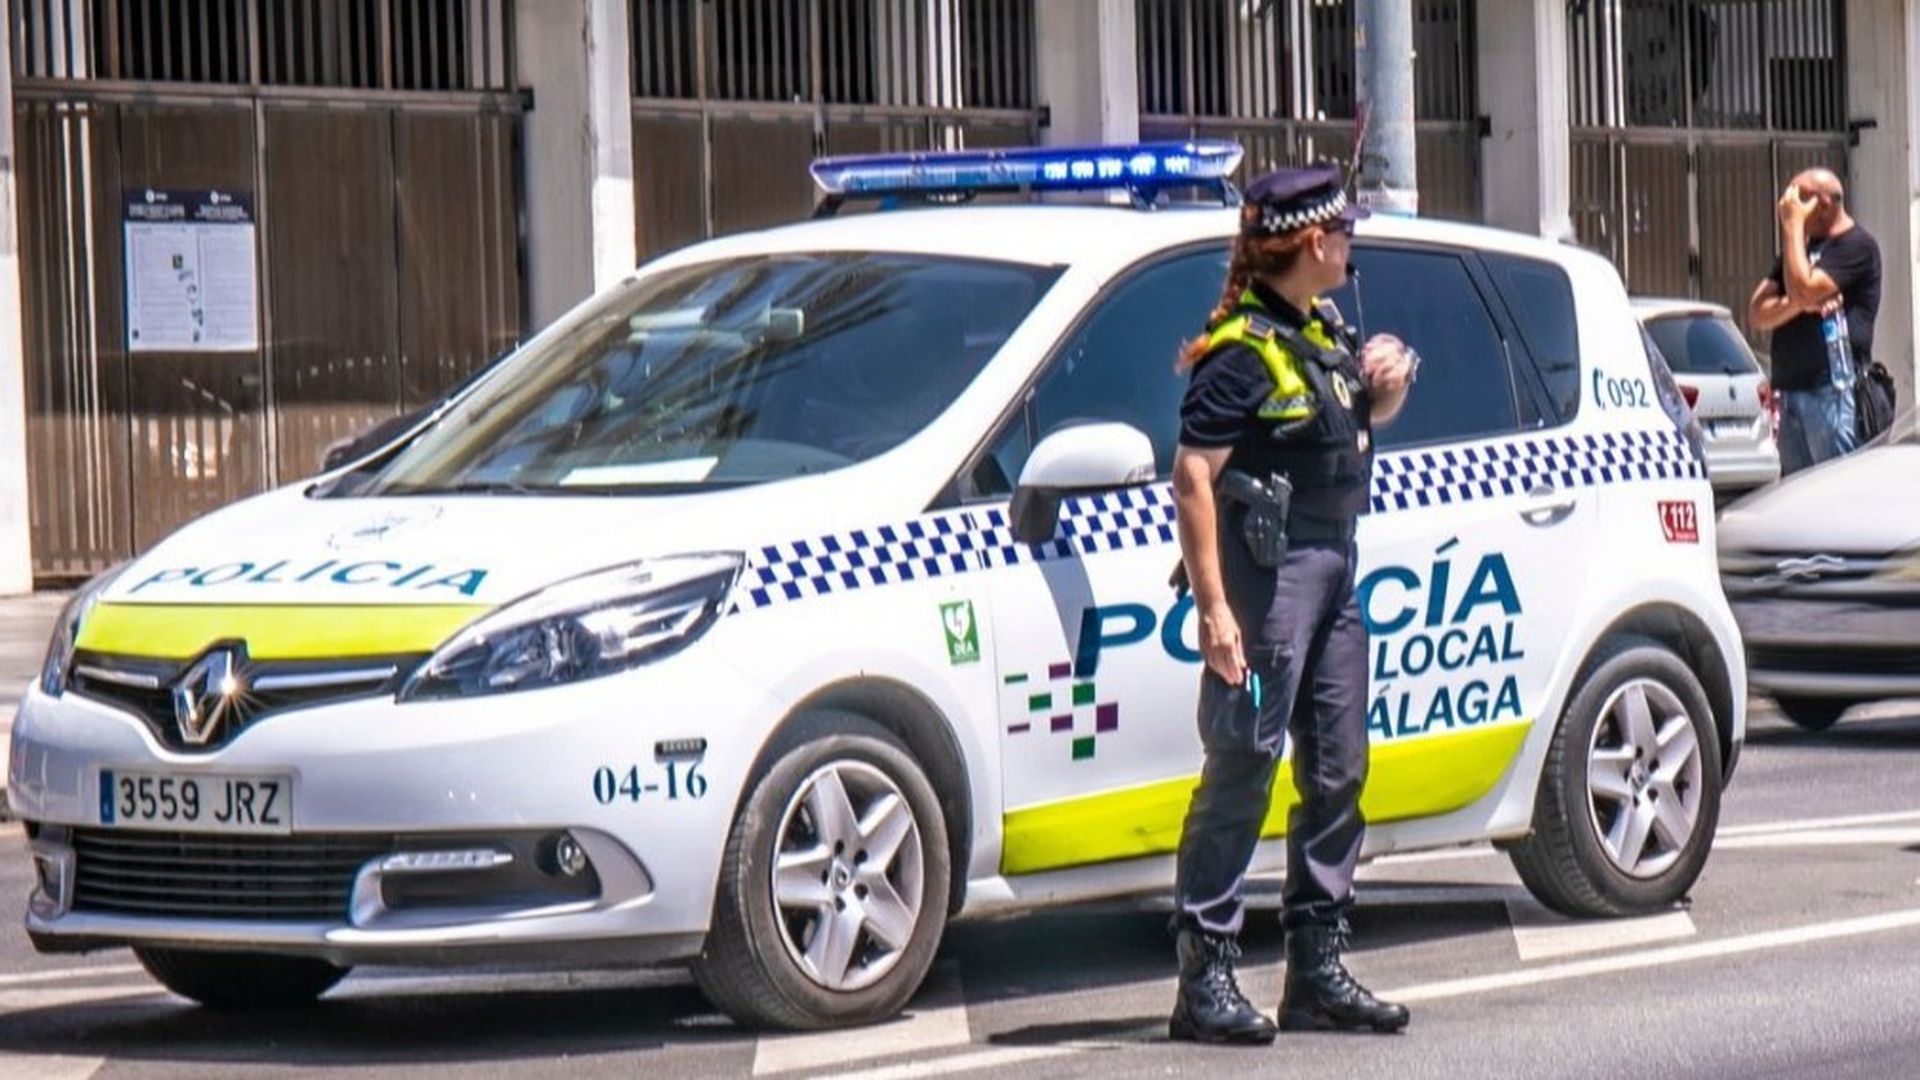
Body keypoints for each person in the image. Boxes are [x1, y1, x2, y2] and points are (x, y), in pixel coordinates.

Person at [1166, 164, 1415, 1045]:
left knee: (1339, 767)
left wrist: (1388, 376)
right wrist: (1215, 609)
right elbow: (1194, 476)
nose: (1351, 245)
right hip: (1267, 580)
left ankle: (1316, 968)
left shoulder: (1322, 327)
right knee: (1243, 763)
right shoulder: (1240, 347)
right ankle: (1206, 977)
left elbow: (1349, 421)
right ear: (1314, 242)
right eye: (1345, 231)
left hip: (1334, 570)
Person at [1747, 168, 1882, 474]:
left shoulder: (1857, 246)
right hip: (1791, 391)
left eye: (1798, 199)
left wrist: (1793, 227)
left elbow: (1805, 288)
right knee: (1798, 495)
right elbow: (1757, 312)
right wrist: (1801, 304)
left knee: (1834, 488)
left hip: (1831, 392)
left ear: (1823, 205)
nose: (1788, 205)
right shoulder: (1799, 253)